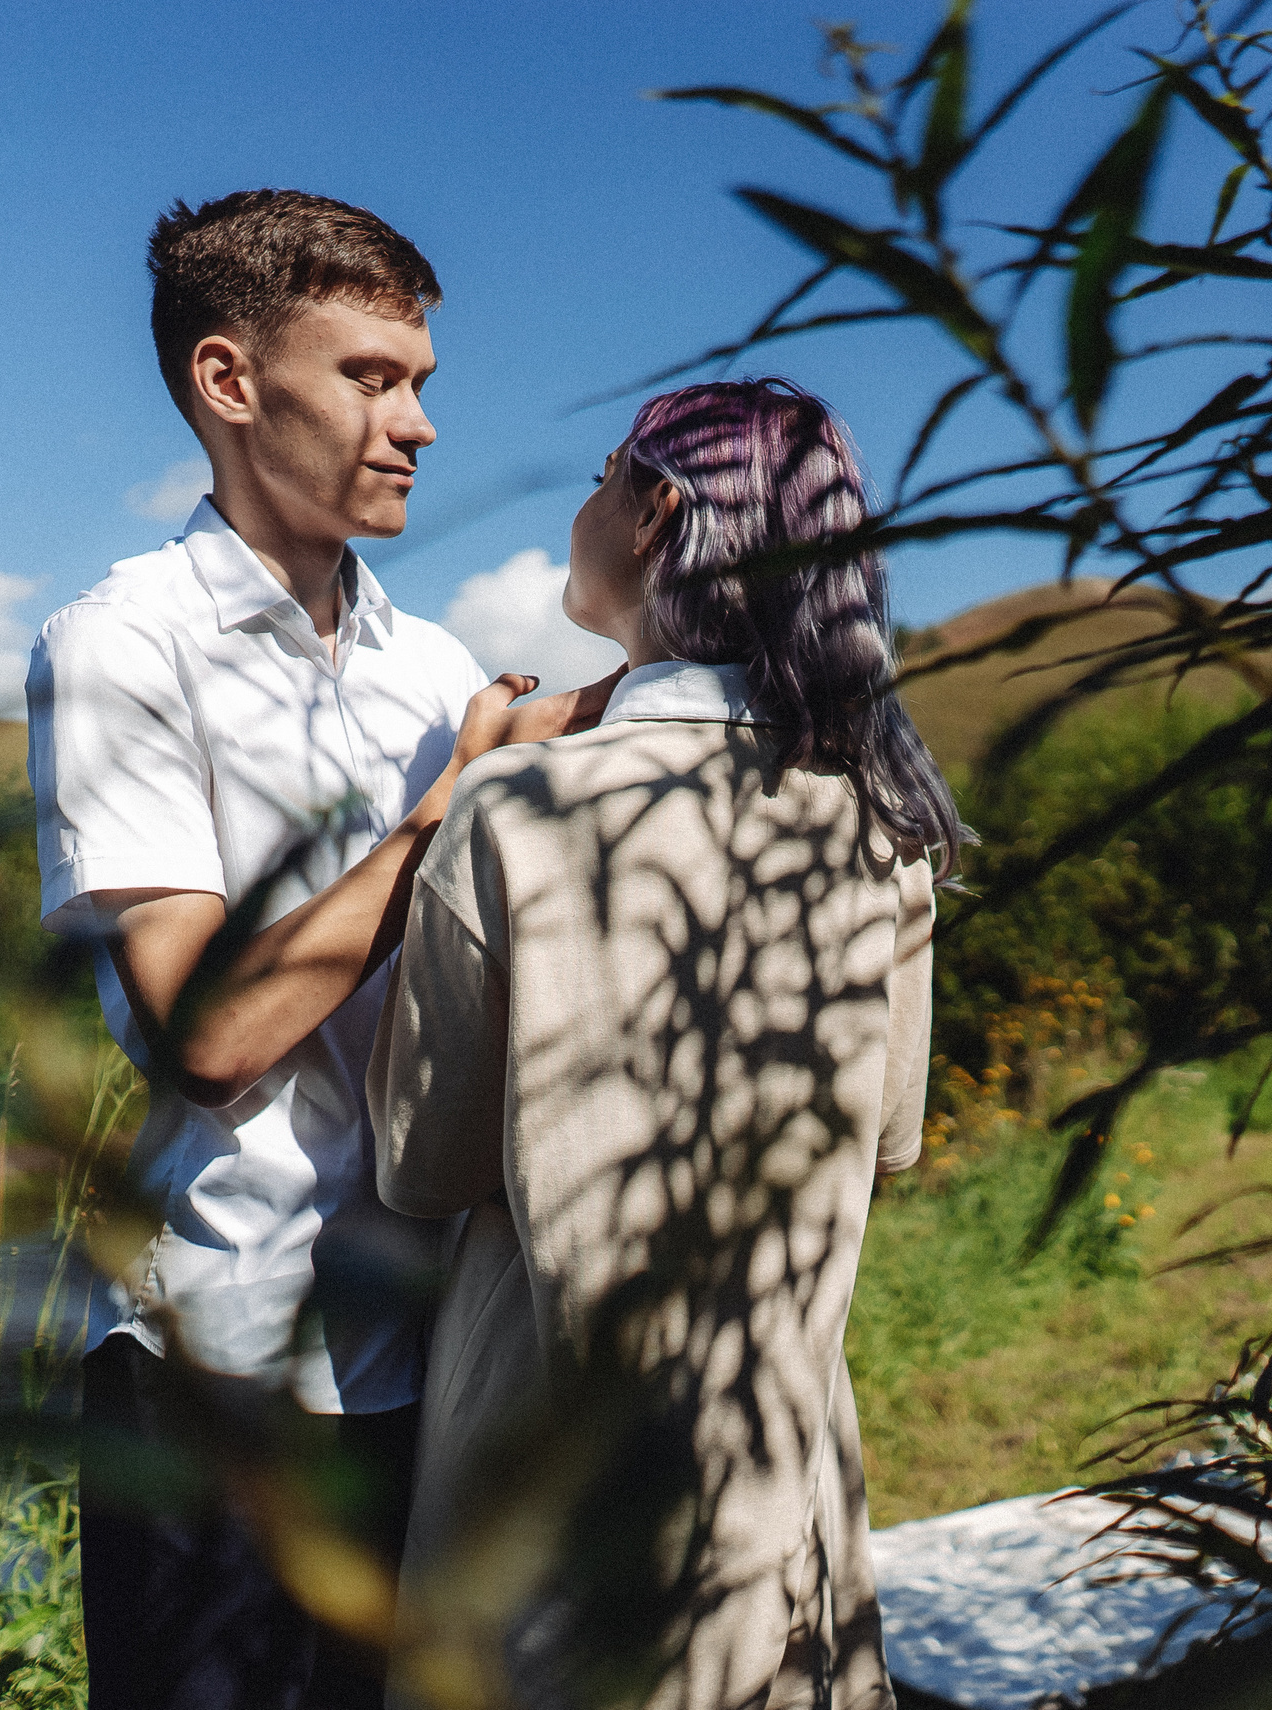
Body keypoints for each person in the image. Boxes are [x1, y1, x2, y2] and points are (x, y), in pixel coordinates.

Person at [25, 189, 617, 1710]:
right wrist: (448, 816)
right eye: (371, 375)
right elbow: (201, 1036)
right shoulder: (119, 645)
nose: (418, 421)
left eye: (420, 380)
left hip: (440, 1354)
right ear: (231, 381)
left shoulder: (432, 666)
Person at [369, 378, 962, 1709]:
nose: (583, 503)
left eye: (600, 472)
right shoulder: (881, 829)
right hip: (780, 1429)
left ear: (655, 512)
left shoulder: (516, 806)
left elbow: (420, 1161)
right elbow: (893, 1137)